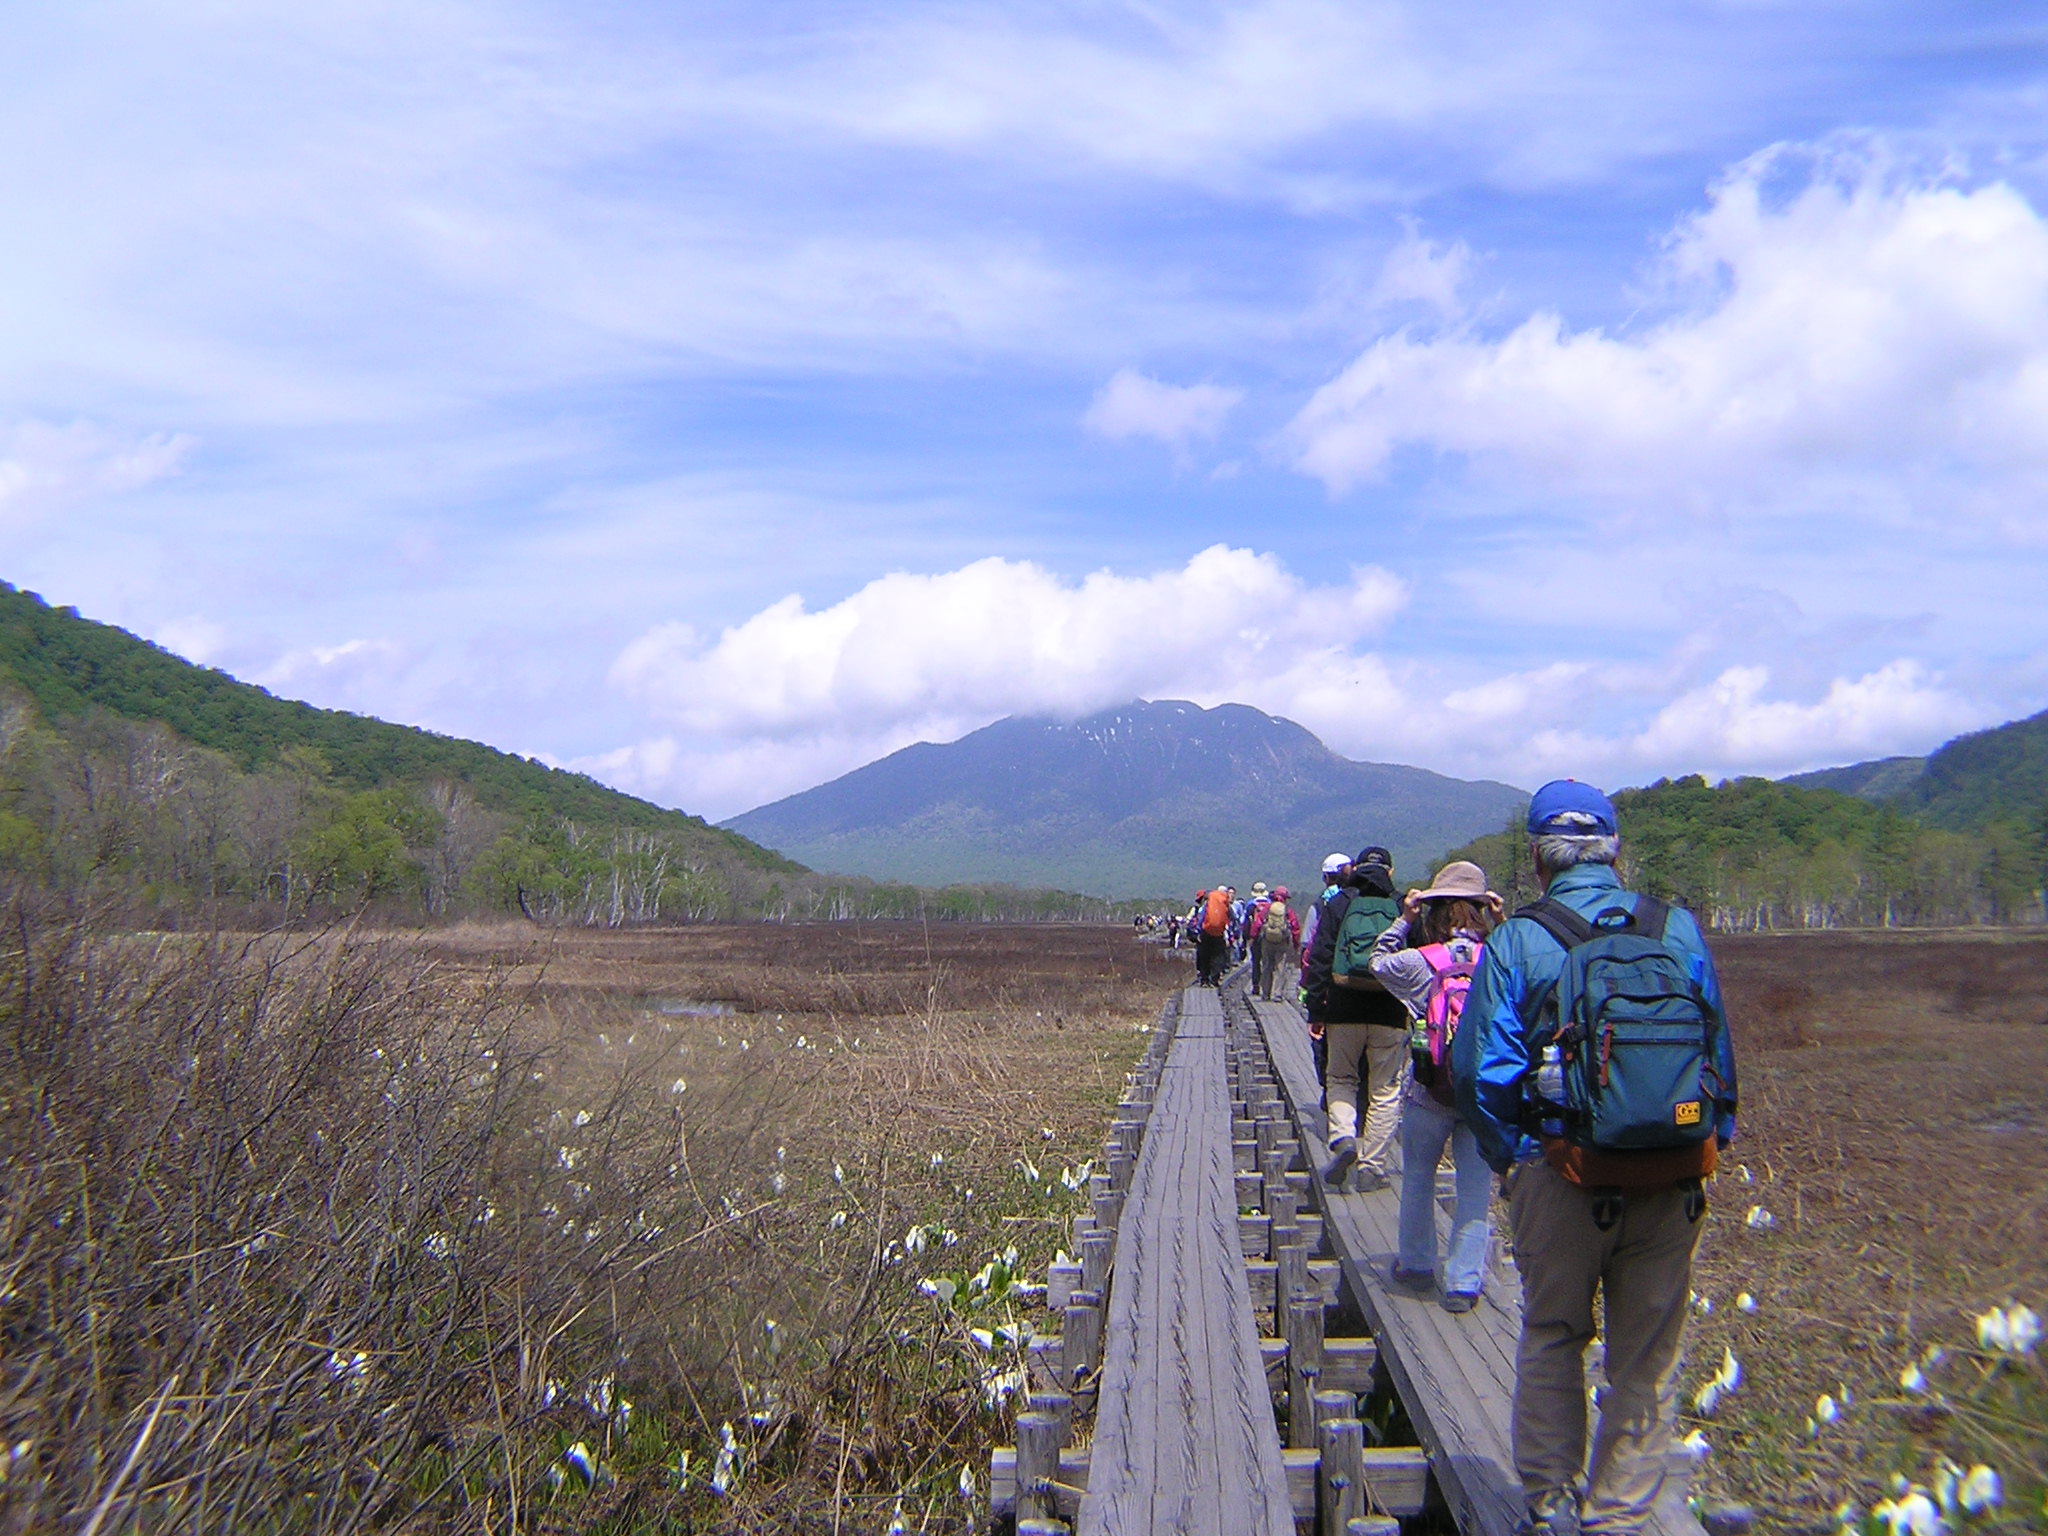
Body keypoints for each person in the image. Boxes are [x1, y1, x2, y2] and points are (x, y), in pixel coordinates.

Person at [1456, 781, 1739, 1536]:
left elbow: (1483, 1070)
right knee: (1647, 1357)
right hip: (1672, 1176)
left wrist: (1515, 1156)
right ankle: (1619, 1514)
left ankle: (1551, 1505)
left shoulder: (1519, 937)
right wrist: (1706, 1147)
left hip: (1564, 1171)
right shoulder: (1675, 927)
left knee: (1553, 1334)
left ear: (1538, 858)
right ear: (1614, 849)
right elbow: (1716, 1056)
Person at [1368, 860, 1503, 1312]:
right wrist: (1503, 924)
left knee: (1419, 1176)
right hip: (1483, 1093)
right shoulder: (1500, 957)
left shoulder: (1421, 961)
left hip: (1429, 1088)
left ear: (1435, 911)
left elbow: (1376, 960)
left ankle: (1417, 1265)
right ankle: (1464, 1283)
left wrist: (1404, 918)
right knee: (1474, 1188)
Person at [1302, 845, 1409, 1193]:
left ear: (1356, 868)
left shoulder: (1339, 903)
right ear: (1390, 872)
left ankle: (1344, 1137)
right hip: (1390, 1011)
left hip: (1343, 1009)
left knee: (1341, 1078)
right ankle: (1372, 1166)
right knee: (1385, 1089)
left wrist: (1316, 1010)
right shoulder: (1402, 905)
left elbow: (1319, 959)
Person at [1297, 853, 1350, 1081]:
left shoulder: (1320, 905)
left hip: (1326, 987)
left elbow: (1307, 947)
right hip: (1355, 987)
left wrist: (1310, 990)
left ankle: (1327, 1083)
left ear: (1326, 878)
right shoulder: (1357, 902)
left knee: (1322, 1039)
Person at [1254, 885, 1299, 1001]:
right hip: (1282, 941)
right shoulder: (1288, 910)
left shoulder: (1267, 908)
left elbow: (1258, 923)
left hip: (1267, 940)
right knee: (1280, 967)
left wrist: (1254, 937)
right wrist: (1295, 943)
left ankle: (1265, 993)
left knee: (1267, 966)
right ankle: (1277, 993)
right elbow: (1295, 927)